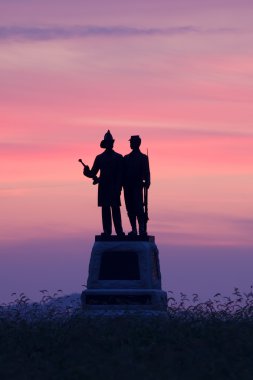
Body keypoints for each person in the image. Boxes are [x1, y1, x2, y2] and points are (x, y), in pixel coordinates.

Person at [83, 130, 125, 237]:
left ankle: (119, 231)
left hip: (114, 187)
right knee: (105, 210)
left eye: (111, 142)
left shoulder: (119, 157)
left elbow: (121, 175)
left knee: (115, 209)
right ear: (105, 144)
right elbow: (93, 173)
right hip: (103, 187)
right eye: (108, 142)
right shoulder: (99, 158)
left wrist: (118, 188)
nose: (110, 144)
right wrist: (86, 171)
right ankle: (107, 231)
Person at [123, 135, 150, 236]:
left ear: (137, 143)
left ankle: (141, 229)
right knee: (130, 208)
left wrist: (147, 182)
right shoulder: (126, 158)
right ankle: (134, 229)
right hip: (127, 186)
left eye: (132, 142)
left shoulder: (143, 158)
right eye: (130, 142)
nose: (130, 144)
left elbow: (147, 173)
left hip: (137, 186)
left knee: (139, 208)